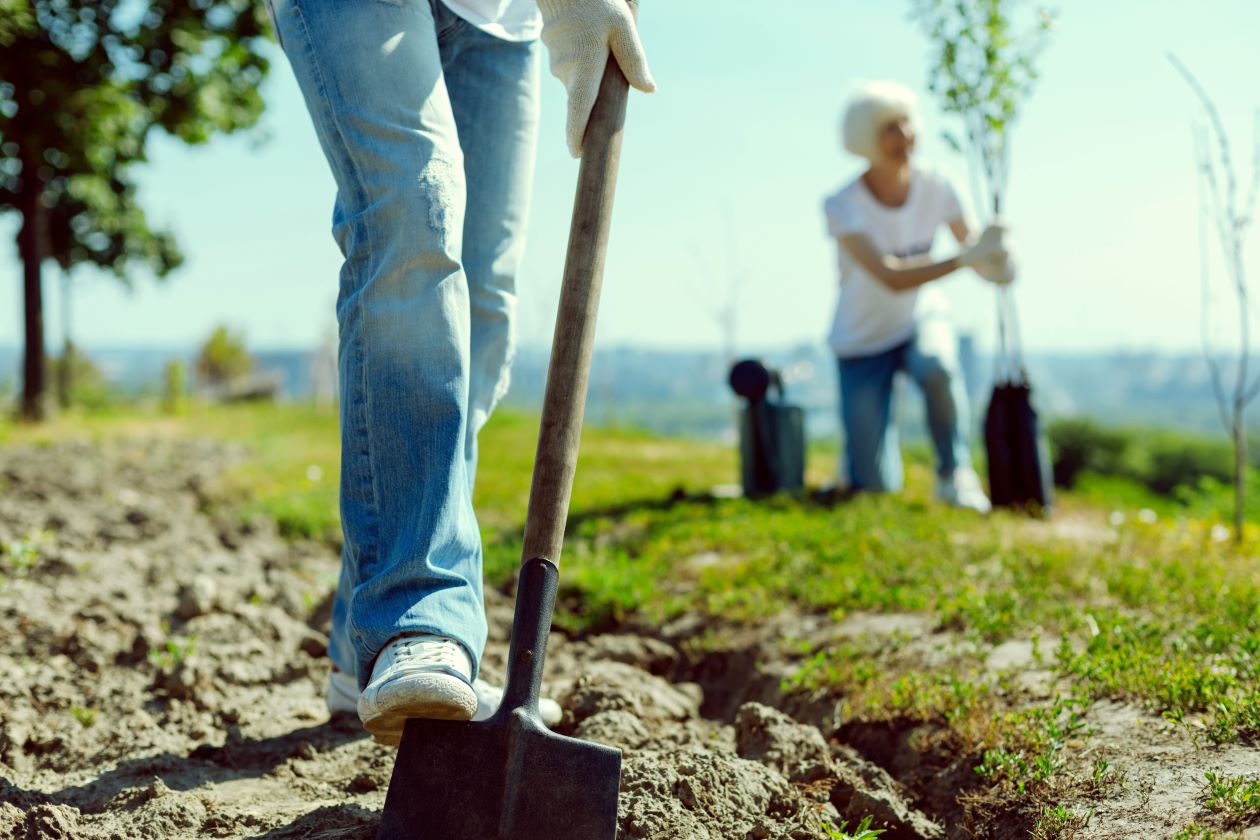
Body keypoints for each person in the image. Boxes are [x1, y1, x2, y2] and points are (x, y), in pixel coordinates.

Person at [263, 0, 654, 743]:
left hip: (500, 18)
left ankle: (361, 643)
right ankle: (418, 613)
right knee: (414, 214)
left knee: (480, 312)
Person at [823, 81, 1012, 512]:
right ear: (865, 138)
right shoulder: (842, 205)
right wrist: (967, 259)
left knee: (938, 367)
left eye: (906, 123)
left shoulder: (939, 186)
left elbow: (977, 255)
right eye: (888, 128)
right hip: (861, 338)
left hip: (919, 319)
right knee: (873, 486)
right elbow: (890, 276)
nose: (902, 135)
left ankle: (954, 474)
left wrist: (999, 264)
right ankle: (860, 457)